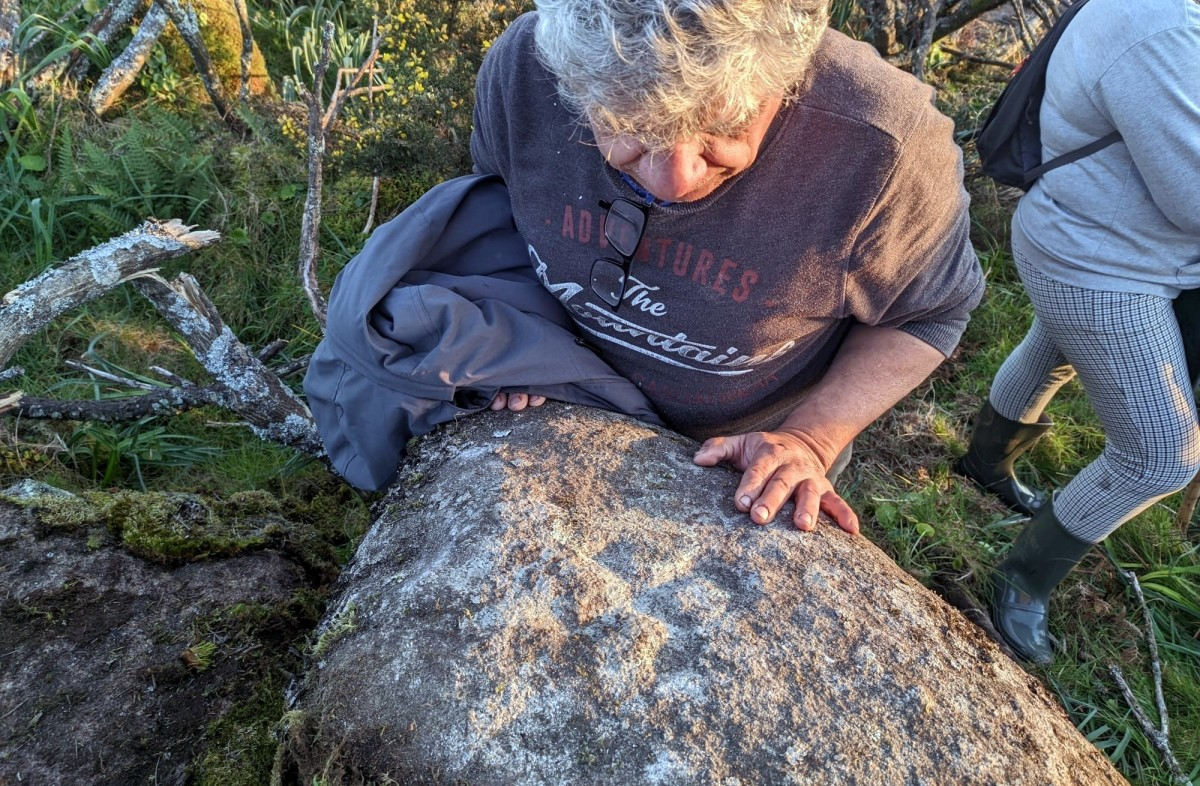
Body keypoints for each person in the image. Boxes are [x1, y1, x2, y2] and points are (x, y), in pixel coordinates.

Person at [471, 0, 984, 536]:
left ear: (788, 75)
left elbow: (929, 312)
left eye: (723, 120)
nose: (674, 180)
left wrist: (809, 440)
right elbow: (489, 216)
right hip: (565, 407)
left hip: (745, 458)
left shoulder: (885, 143)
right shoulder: (525, 68)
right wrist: (521, 343)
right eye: (629, 122)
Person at [956, 0, 1200, 663]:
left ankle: (984, 465)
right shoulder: (1160, 26)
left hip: (1090, 235)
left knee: (1052, 351)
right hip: (1101, 262)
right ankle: (1023, 579)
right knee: (1160, 456)